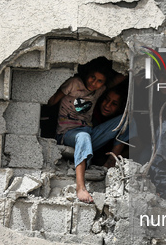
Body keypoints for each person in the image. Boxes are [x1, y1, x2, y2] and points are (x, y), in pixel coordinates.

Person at [48, 62, 127, 203]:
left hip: (89, 133)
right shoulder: (74, 84)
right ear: (87, 75)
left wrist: (130, 67)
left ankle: (110, 162)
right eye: (92, 77)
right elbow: (52, 101)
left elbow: (114, 81)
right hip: (67, 134)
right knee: (83, 137)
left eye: (99, 81)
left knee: (126, 119)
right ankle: (80, 187)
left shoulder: (99, 90)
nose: (94, 83)